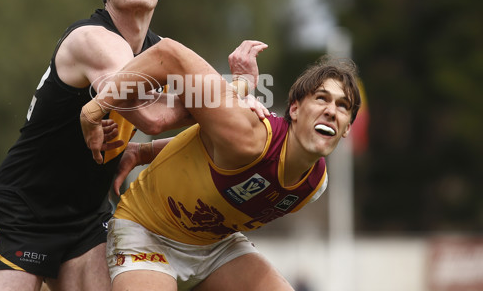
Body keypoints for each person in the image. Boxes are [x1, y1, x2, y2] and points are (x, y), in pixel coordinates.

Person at [0, 0, 261, 291]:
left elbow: (209, 112)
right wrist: (234, 90)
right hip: (23, 210)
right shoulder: (93, 39)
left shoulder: (160, 51)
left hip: (85, 219)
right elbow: (152, 115)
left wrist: (236, 92)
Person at [80, 38, 361, 291]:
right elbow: (170, 54)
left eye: (342, 106)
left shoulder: (314, 185)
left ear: (347, 127)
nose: (330, 111)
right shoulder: (249, 134)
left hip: (215, 248)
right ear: (295, 109)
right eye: (322, 99)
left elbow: (212, 148)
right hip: (148, 233)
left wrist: (143, 152)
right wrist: (94, 111)